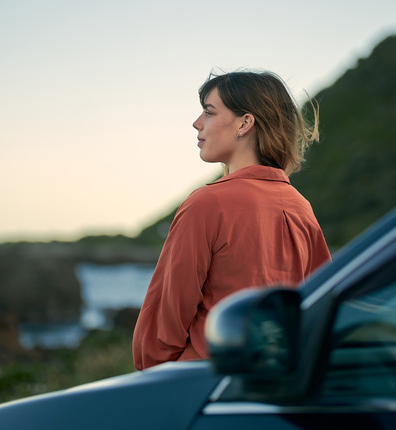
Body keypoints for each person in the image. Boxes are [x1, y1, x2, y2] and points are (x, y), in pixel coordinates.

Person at [132, 70, 331, 370]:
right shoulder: (301, 208)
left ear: (245, 123)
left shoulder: (207, 204)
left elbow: (162, 328)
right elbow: (319, 311)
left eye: (209, 113)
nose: (197, 123)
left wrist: (157, 379)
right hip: (277, 387)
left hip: (204, 385)